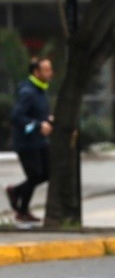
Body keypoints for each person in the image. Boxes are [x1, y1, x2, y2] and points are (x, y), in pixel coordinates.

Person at [5, 57, 54, 223]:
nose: (50, 73)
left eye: (50, 69)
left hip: (39, 141)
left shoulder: (40, 90)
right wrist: (38, 125)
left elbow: (37, 114)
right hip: (26, 143)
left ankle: (18, 197)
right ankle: (20, 205)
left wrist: (48, 120)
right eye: (46, 70)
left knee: (47, 173)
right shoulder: (28, 92)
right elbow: (17, 117)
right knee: (34, 175)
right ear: (36, 72)